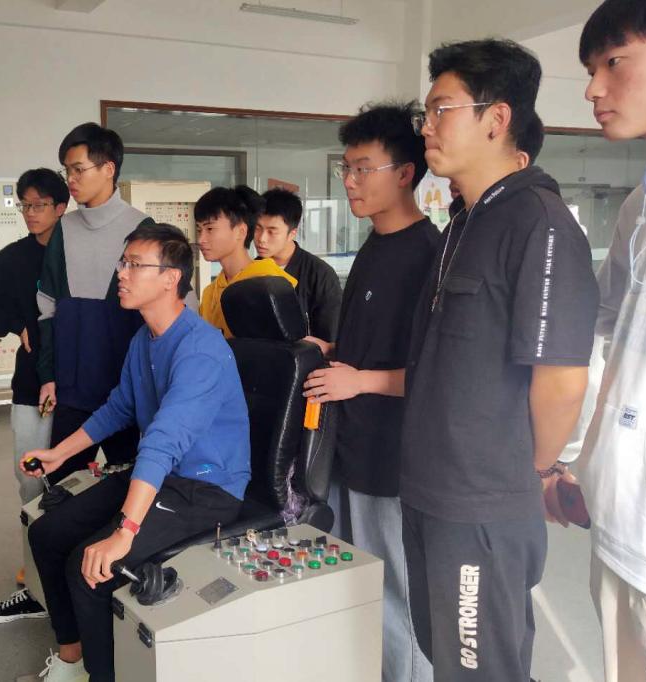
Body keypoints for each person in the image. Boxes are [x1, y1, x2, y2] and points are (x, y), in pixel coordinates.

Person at [400, 39, 599, 679]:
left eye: (442, 109)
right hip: (432, 490)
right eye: (426, 113)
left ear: (496, 118)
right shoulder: (463, 223)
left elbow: (561, 380)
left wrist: (532, 472)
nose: (427, 127)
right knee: (447, 655)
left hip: (483, 501)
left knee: (481, 667)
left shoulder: (539, 222)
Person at [23, 223, 250, 682]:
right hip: (161, 475)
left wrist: (125, 532)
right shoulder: (144, 339)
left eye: (134, 265)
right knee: (47, 534)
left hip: (205, 488)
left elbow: (163, 440)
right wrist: (60, 453)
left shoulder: (200, 349)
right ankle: (72, 660)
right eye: (122, 263)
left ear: (170, 278)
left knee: (92, 566)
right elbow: (119, 407)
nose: (121, 274)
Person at [302, 101, 438, 682]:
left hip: (392, 458)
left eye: (363, 169)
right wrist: (336, 350)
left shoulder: (428, 255)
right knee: (355, 582)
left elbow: (439, 370)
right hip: (350, 445)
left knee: (396, 595)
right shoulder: (374, 245)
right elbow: (377, 342)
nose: (350, 181)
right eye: (347, 169)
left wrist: (359, 380)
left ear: (405, 173)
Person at [572, 3, 646, 678]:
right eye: (589, 68)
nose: (592, 89)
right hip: (621, 510)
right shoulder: (641, 206)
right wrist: (577, 462)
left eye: (614, 62)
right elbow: (605, 337)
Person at [0, 168, 68, 622]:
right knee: (31, 477)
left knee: (78, 480)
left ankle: (72, 573)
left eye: (39, 205)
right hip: (31, 383)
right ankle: (37, 576)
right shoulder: (17, 256)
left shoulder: (79, 252)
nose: (30, 213)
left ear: (61, 207)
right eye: (25, 205)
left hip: (82, 382)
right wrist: (14, 324)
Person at [35, 123, 152, 485]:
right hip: (71, 389)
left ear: (108, 169)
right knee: (62, 485)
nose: (70, 179)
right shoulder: (63, 229)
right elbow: (47, 308)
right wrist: (47, 376)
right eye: (66, 171)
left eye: (78, 169)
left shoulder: (142, 228)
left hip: (124, 390)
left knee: (127, 483)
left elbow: (156, 315)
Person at [195, 185, 296, 337]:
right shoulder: (210, 293)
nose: (201, 239)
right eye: (199, 230)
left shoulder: (268, 282)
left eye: (210, 229)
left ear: (241, 231)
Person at [253, 187, 342, 344]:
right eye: (257, 228)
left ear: (292, 233)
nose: (261, 239)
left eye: (272, 231)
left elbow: (330, 339)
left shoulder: (319, 274)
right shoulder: (250, 271)